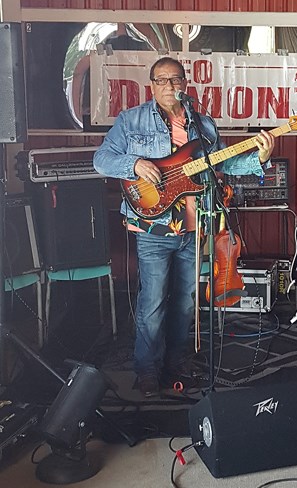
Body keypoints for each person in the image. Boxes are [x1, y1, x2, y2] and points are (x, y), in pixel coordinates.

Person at [94, 57, 275, 396]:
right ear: (152, 86)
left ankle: (178, 365)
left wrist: (259, 157)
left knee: (186, 303)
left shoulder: (203, 125)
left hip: (195, 228)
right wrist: (134, 163)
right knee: (152, 303)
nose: (169, 86)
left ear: (185, 84)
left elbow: (226, 161)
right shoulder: (131, 121)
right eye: (161, 80)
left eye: (175, 79)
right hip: (153, 227)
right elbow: (101, 158)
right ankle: (147, 371)